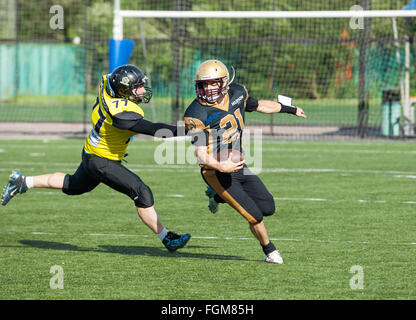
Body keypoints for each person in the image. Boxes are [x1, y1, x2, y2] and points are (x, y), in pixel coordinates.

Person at [1, 64, 191, 252]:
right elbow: (154, 130)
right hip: (101, 160)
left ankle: (23, 182)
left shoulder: (108, 85)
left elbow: (109, 77)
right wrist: (187, 130)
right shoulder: (122, 114)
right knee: (141, 192)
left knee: (74, 185)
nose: (142, 91)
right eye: (137, 88)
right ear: (124, 92)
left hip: (91, 151)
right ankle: (167, 238)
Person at [183, 59, 306, 264]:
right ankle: (270, 251)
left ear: (224, 82)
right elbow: (200, 154)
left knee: (268, 207)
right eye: (204, 84)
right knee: (255, 215)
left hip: (238, 165)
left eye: (213, 83)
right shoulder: (196, 114)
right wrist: (221, 166)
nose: (209, 88)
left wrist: (290, 109)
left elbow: (259, 106)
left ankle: (217, 197)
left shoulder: (238, 92)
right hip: (216, 172)